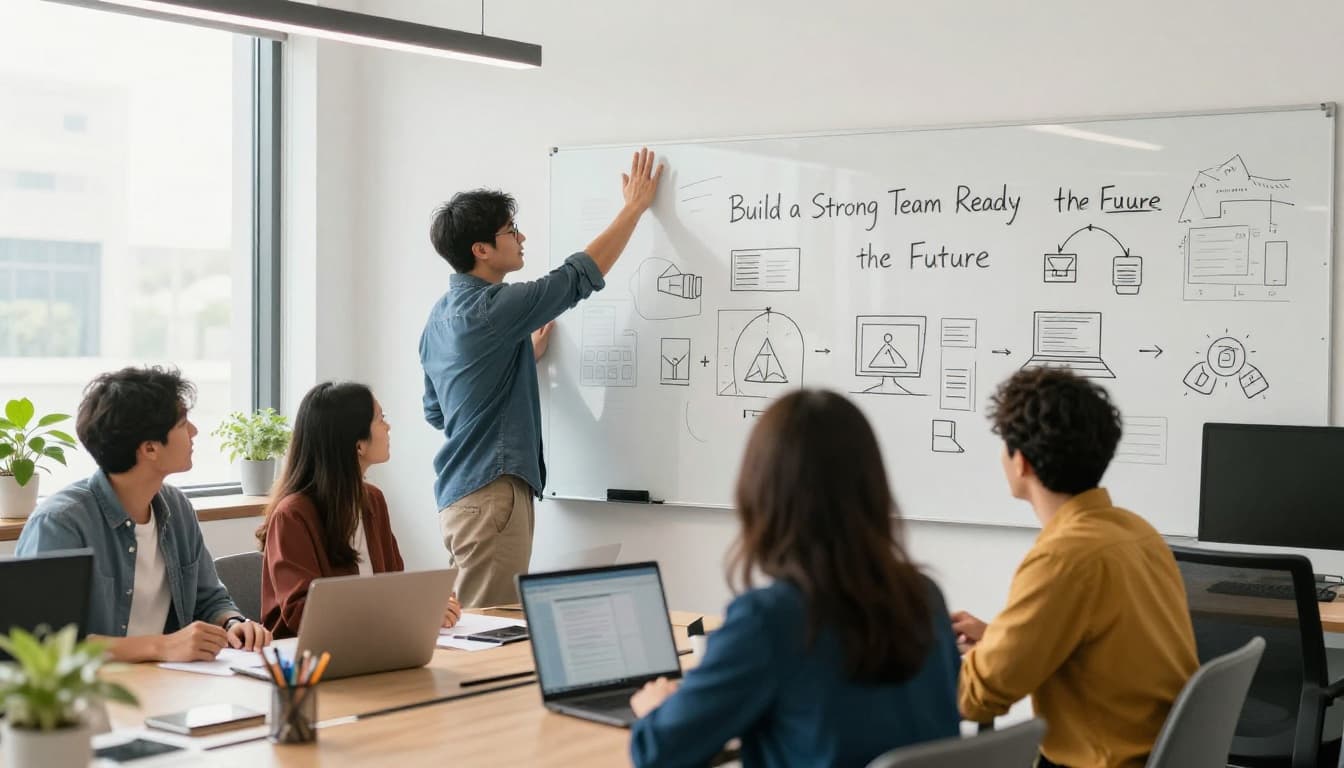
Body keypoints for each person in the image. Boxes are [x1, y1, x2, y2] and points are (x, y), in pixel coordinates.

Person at [628, 390, 960, 768]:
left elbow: (656, 754)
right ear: (873, 487)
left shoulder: (769, 620)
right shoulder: (924, 597)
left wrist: (656, 708)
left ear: (760, 492)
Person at [420, 148, 664, 608]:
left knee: (475, 627)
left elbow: (438, 411)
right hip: (492, 496)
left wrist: (514, 358)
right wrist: (633, 208)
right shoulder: (494, 309)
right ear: (482, 250)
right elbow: (576, 278)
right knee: (491, 634)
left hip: (458, 499)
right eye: (510, 231)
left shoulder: (441, 316)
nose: (521, 236)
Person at [952, 368, 1198, 768]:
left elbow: (978, 698)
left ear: (1022, 463)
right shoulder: (1138, 533)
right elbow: (1096, 641)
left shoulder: (1064, 558)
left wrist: (916, 668)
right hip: (1154, 754)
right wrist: (996, 637)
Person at [16, 366, 270, 662]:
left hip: (170, 685)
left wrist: (232, 623)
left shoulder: (177, 508)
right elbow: (41, 642)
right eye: (183, 423)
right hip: (89, 695)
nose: (194, 431)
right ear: (150, 449)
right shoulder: (60, 523)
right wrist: (161, 646)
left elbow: (209, 598)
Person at [258, 382, 462, 638]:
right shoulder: (293, 514)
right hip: (310, 659)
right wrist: (398, 615)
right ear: (358, 445)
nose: (388, 427)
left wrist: (426, 607)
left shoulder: (373, 499)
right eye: (380, 419)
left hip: (373, 646)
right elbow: (305, 613)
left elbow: (394, 586)